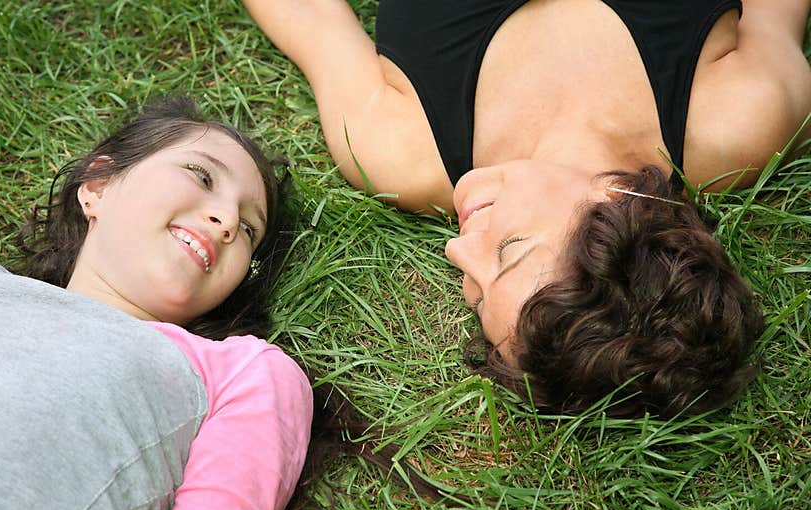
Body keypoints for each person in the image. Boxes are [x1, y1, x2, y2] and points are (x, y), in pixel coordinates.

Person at [0, 95, 420, 510]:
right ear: (98, 186)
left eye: (248, 228)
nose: (227, 220)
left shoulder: (236, 370)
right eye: (202, 176)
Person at [240, 0, 811, 417]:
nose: (458, 248)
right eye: (509, 251)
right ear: (618, 210)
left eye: (477, 291)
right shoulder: (737, 120)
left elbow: (311, 19)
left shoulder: (399, 149)